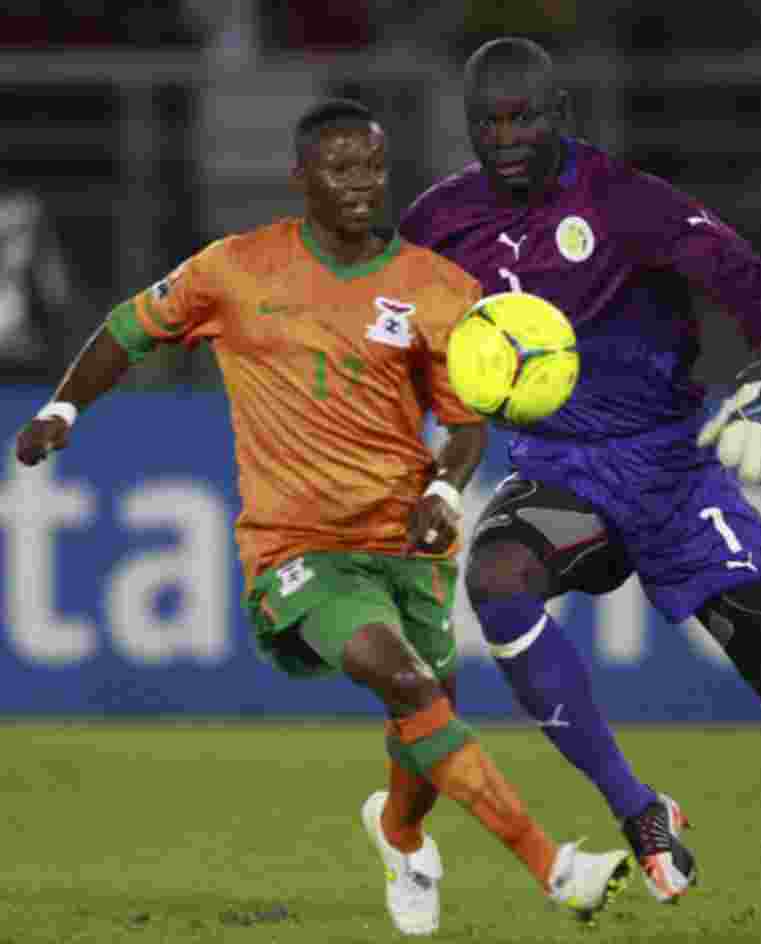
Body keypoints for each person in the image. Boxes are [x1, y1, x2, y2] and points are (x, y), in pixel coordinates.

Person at [398, 38, 761, 932]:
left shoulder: (626, 201)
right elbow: (386, 337)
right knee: (495, 582)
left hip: (673, 475)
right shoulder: (437, 222)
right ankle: (638, 809)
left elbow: (756, 288)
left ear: (560, 113)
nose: (507, 136)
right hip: (562, 472)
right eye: (488, 121)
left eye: (525, 116)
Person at [14, 99, 633, 937]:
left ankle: (400, 833)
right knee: (409, 683)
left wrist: (444, 493)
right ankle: (555, 868)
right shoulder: (236, 268)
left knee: (425, 723)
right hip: (297, 552)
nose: (359, 185)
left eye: (372, 168)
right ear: (301, 177)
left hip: (409, 543)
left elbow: (466, 421)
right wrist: (64, 412)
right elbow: (130, 328)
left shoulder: (438, 287)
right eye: (340, 169)